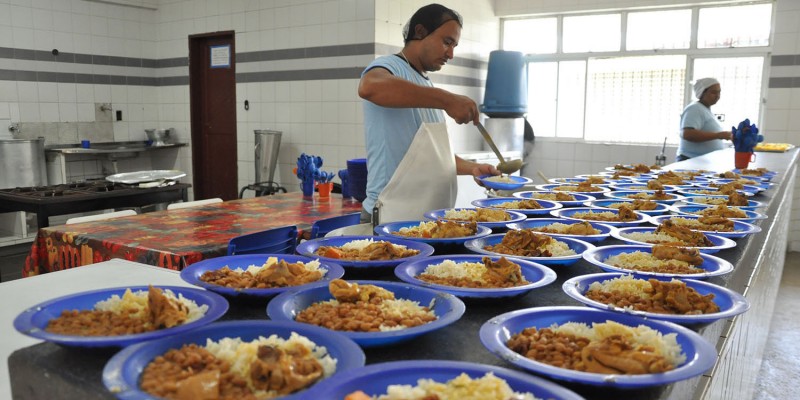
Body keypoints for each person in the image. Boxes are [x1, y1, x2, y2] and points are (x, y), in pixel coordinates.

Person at [357, 3, 499, 224]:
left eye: (454, 45)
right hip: (391, 216)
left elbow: (432, 156)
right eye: (447, 42)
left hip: (425, 219)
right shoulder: (389, 66)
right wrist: (448, 99)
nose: (451, 54)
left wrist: (473, 168)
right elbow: (369, 87)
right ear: (420, 32)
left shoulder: (425, 85)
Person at [675, 77, 733, 161]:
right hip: (691, 161)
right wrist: (718, 135)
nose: (717, 96)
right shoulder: (694, 108)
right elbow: (688, 134)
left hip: (701, 162)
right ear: (702, 93)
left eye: (719, 92)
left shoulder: (706, 110)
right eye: (713, 92)